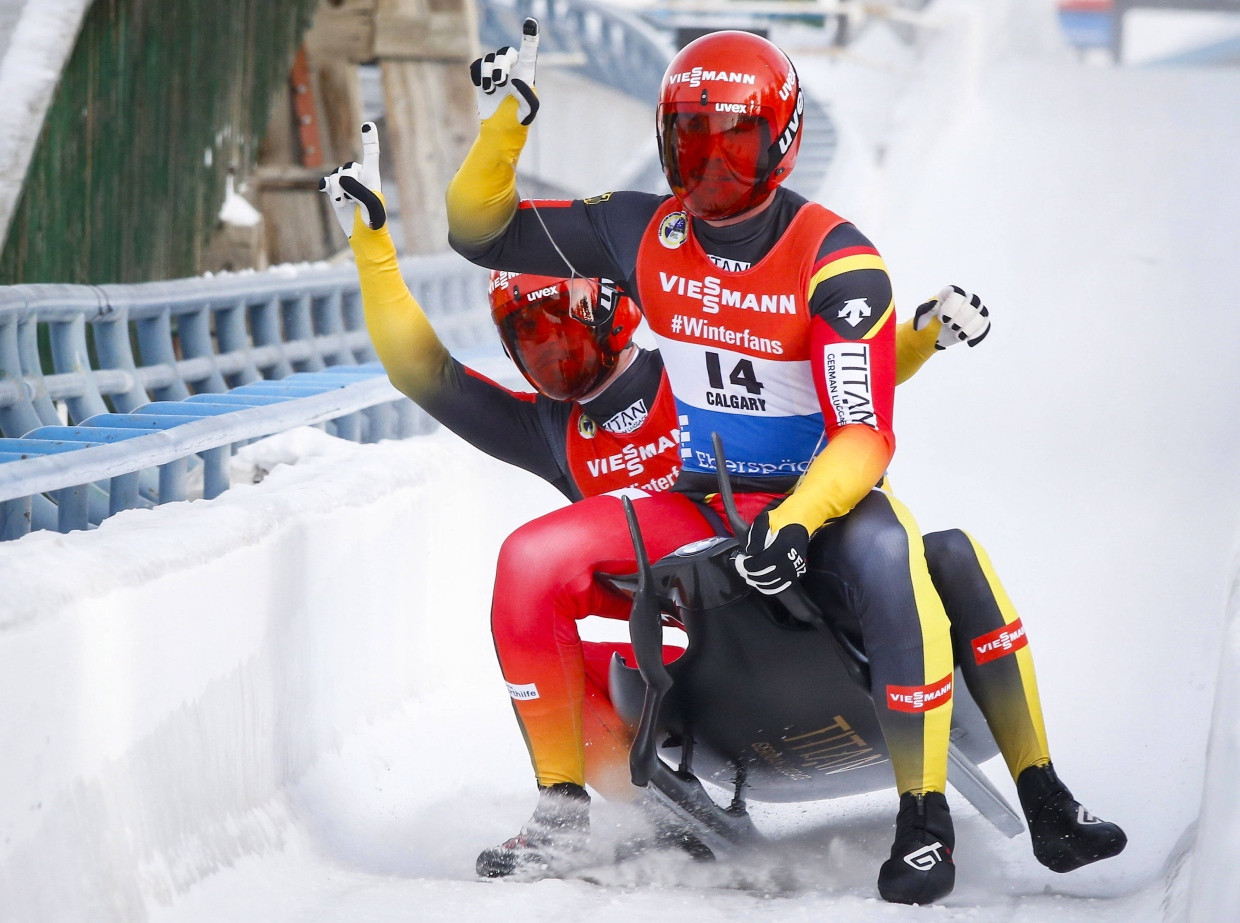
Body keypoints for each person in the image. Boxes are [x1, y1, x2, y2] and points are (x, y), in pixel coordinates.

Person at [442, 22, 1124, 903]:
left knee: (897, 553)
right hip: (696, 501)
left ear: (781, 142)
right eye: (690, 138)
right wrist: (509, 121)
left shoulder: (838, 263)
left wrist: (800, 518)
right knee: (527, 561)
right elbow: (477, 230)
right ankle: (563, 809)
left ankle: (948, 816)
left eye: (735, 137)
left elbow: (865, 432)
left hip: (823, 504)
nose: (711, 163)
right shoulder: (639, 231)